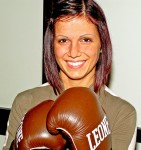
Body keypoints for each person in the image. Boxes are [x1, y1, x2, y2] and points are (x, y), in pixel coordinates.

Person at [3, 0, 137, 149]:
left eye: (86, 40)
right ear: (52, 45)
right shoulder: (26, 102)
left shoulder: (121, 113)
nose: (74, 52)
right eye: (63, 40)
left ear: (101, 45)